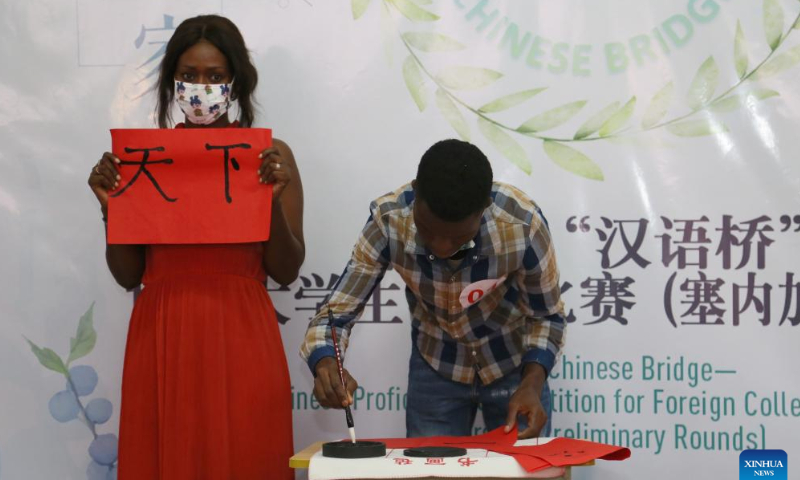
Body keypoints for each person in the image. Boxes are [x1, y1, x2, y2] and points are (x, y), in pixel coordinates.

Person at [87, 15, 303, 479]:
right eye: (188, 76)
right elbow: (128, 275)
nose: (200, 87)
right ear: (171, 83)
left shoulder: (269, 157)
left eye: (214, 76)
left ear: (236, 82)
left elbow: (286, 269)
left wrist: (271, 200)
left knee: (248, 456)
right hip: (162, 331)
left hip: (242, 332)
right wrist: (112, 209)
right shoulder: (145, 159)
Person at [301, 139, 565, 439]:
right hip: (436, 365)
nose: (441, 248)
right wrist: (325, 362)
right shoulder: (389, 221)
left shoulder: (522, 224)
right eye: (427, 230)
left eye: (458, 238)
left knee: (525, 471)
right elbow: (334, 316)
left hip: (514, 368)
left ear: (485, 210)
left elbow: (547, 316)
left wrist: (532, 383)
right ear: (416, 190)